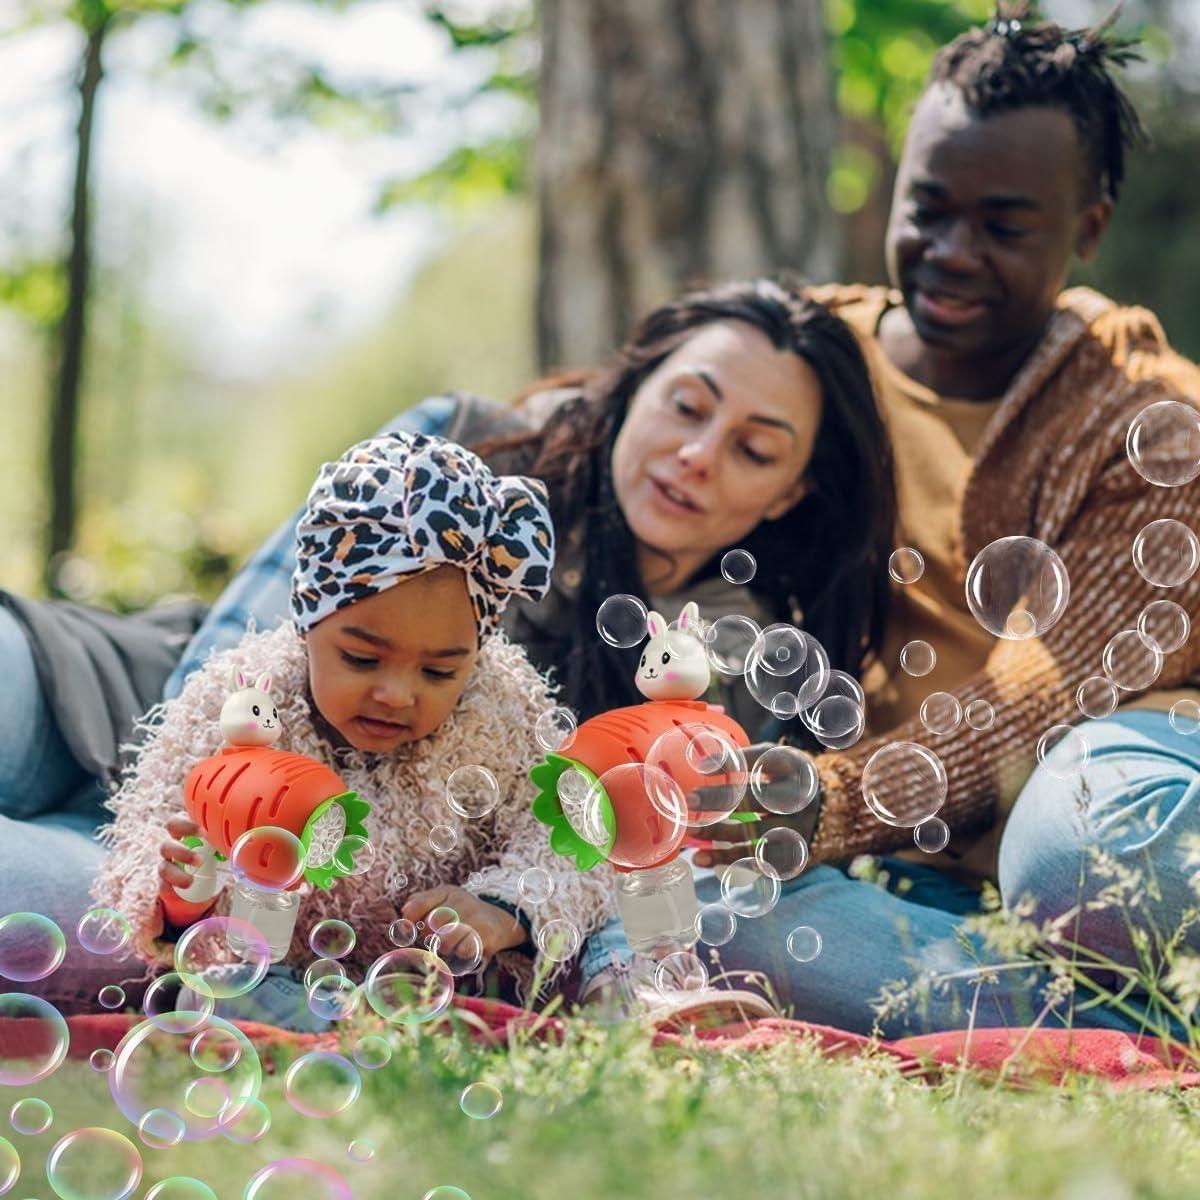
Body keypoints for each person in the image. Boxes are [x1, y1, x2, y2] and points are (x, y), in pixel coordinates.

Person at [0, 280, 899, 1015]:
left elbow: (592, 864)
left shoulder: (726, 661)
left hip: (216, 883)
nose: (699, 454)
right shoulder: (461, 447)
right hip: (112, 700)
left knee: (39, 917)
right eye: (687, 405)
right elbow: (237, 664)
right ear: (632, 392)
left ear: (791, 492)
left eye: (753, 449)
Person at [673, 4, 1200, 1038]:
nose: (951, 253)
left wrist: (825, 803)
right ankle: (1106, 1017)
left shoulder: (1154, 418)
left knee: (1082, 846)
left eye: (1003, 226)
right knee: (698, 910)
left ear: (1087, 229)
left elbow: (1038, 703)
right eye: (928, 208)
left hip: (1102, 773)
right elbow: (637, 433)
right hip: (902, 863)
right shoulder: (815, 355)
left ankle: (1042, 986)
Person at [91, 430, 614, 1030]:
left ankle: (631, 1005)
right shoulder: (238, 696)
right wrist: (185, 895)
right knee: (218, 988)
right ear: (309, 620)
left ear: (476, 652)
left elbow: (568, 835)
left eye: (440, 669)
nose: (396, 693)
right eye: (362, 659)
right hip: (280, 963)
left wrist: (503, 910)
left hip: (446, 968)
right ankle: (334, 1030)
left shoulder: (505, 705)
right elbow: (149, 824)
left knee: (616, 888)